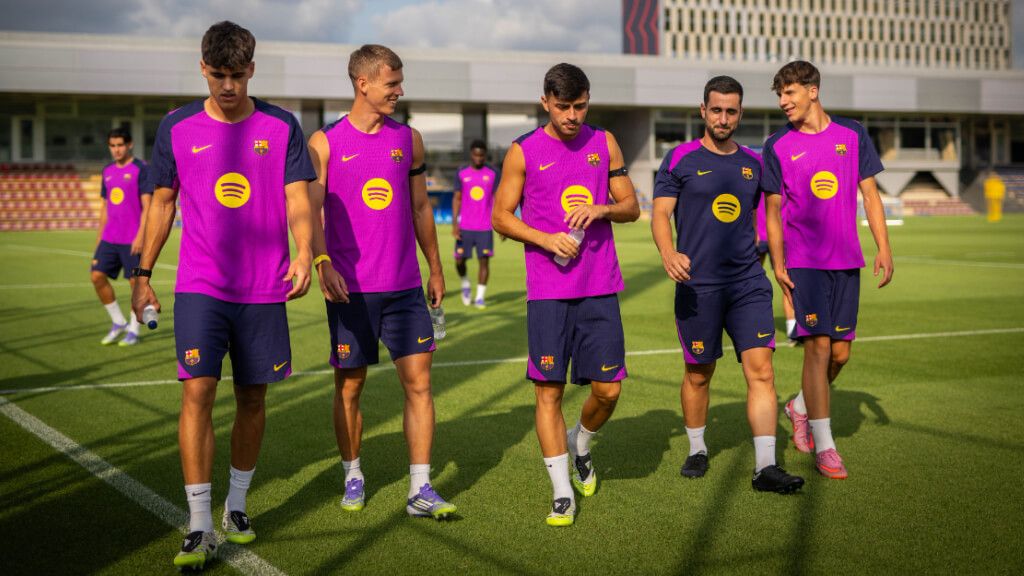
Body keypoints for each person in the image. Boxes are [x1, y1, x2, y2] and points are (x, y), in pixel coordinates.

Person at [131, 21, 315, 570]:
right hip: (200, 287)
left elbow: (298, 200)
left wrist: (304, 252)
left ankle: (236, 507)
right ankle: (198, 523)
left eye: (237, 75)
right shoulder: (177, 126)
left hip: (264, 289)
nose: (228, 86)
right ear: (202, 68)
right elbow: (162, 205)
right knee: (198, 393)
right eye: (218, 76)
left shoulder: (282, 125)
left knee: (253, 399)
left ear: (252, 70)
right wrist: (142, 273)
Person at [307, 44, 455, 521]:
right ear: (362, 83)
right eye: (392, 83)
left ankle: (421, 486)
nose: (399, 90)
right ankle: (353, 471)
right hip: (351, 289)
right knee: (350, 388)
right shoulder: (324, 144)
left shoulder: (408, 140)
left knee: (420, 385)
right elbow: (308, 210)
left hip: (405, 287)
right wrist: (321, 261)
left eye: (399, 82)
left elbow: (418, 208)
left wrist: (434, 266)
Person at [492, 63, 639, 526]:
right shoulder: (523, 151)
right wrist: (543, 238)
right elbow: (500, 216)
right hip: (549, 292)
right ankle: (561, 493)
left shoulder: (605, 142)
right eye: (563, 107)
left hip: (600, 286)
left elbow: (632, 207)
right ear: (545, 103)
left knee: (609, 389)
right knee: (548, 392)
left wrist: (602, 208)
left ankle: (581, 442)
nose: (573, 115)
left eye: (580, 106)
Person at [651, 76, 804, 494]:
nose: (723, 118)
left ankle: (765, 467)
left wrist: (782, 265)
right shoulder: (679, 158)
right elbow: (660, 214)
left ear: (741, 113)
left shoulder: (754, 163)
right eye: (715, 110)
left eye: (731, 111)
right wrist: (669, 253)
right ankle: (697, 448)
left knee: (762, 371)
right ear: (703, 111)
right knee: (699, 373)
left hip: (748, 284)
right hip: (698, 286)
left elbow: (773, 217)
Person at [762, 61, 894, 479]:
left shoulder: (852, 134)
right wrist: (779, 263)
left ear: (813, 91)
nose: (783, 102)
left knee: (841, 353)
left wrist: (884, 248)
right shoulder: (777, 145)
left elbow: (870, 196)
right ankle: (825, 445)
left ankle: (799, 406)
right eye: (779, 94)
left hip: (847, 260)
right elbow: (773, 211)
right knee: (818, 348)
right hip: (804, 262)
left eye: (790, 93)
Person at [91, 127, 150, 346]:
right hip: (109, 238)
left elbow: (148, 205)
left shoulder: (141, 169)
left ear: (129, 144)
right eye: (112, 146)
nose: (116, 150)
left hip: (132, 238)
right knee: (96, 276)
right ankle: (118, 322)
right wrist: (99, 238)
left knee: (135, 283)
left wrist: (141, 235)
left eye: (120, 145)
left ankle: (134, 329)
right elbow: (105, 208)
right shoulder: (107, 171)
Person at [452, 139, 499, 307]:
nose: (478, 158)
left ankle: (479, 297)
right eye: (476, 154)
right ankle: (465, 283)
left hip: (484, 227)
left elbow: (496, 199)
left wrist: (499, 225)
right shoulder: (462, 172)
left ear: (485, 155)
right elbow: (457, 198)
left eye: (481, 155)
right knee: (459, 261)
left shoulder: (493, 173)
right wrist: (454, 224)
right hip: (465, 226)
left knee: (484, 261)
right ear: (471, 154)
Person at [755, 196, 798, 344]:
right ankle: (792, 330)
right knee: (750, 284)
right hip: (772, 235)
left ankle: (793, 329)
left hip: (773, 235)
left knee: (787, 281)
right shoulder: (780, 174)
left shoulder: (753, 174)